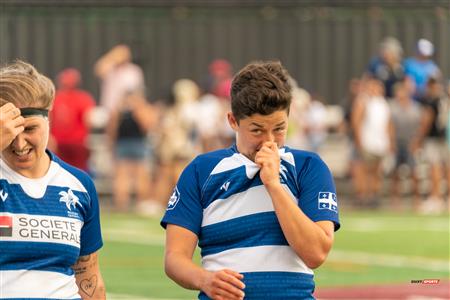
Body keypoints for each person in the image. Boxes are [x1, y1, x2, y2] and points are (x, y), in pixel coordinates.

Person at [161, 61, 340, 299]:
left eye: (279, 128)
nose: (269, 141)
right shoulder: (201, 170)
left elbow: (316, 253)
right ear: (233, 120)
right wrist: (205, 279)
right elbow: (175, 258)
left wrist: (274, 186)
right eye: (257, 130)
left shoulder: (308, 167)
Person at [0, 60, 105, 299]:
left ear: (49, 120)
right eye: (10, 132)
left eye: (29, 129)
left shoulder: (79, 185)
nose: (19, 143)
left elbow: (90, 280)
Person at [50, 68, 96, 172]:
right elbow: (88, 121)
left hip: (60, 143)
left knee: (60, 172)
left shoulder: (55, 98)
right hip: (78, 143)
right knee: (79, 172)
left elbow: (49, 120)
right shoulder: (84, 98)